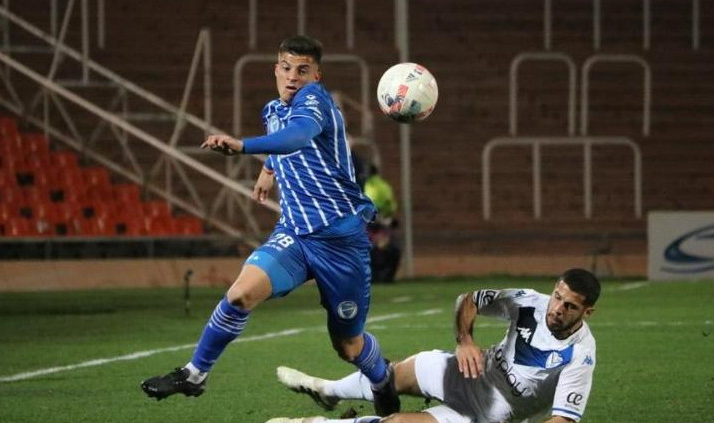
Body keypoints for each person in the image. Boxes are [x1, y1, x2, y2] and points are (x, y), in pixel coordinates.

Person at [140, 35, 400, 416]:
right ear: (275, 69)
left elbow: (300, 135)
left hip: (340, 243)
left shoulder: (316, 101)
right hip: (294, 234)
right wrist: (267, 169)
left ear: (317, 74)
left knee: (348, 346)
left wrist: (246, 147)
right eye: (286, 68)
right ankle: (195, 374)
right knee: (239, 294)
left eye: (303, 70)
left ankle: (381, 380)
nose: (293, 77)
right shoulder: (273, 109)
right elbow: (285, 140)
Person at [267, 268, 601, 423]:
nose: (557, 309)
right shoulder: (529, 301)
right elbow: (469, 300)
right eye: (558, 297)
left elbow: (564, 421)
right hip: (470, 371)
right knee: (390, 376)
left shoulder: (580, 355)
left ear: (587, 312)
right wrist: (466, 339)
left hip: (489, 413)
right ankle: (328, 390)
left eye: (569, 306)